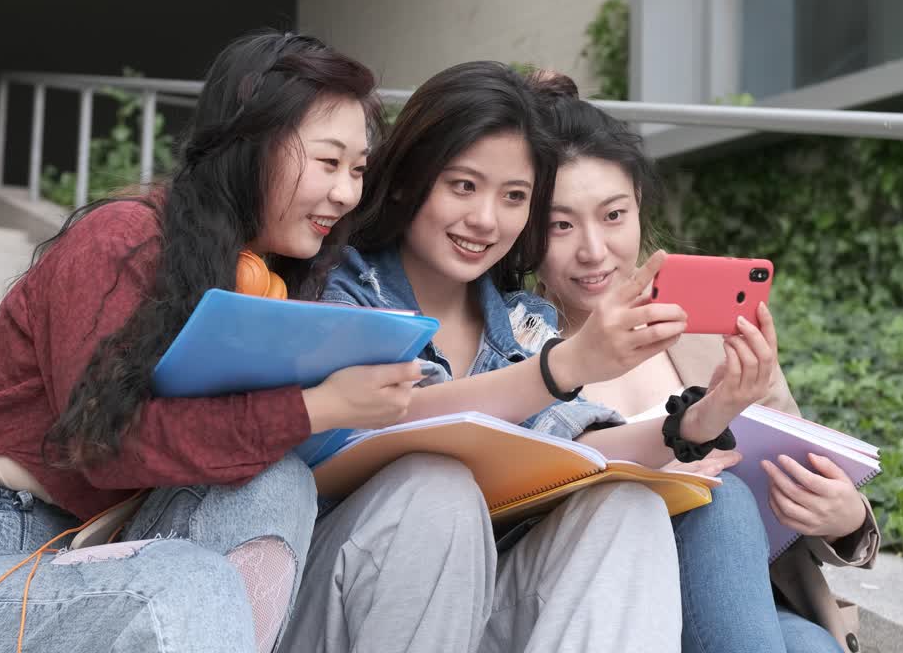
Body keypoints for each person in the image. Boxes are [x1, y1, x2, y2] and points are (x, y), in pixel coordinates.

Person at [0, 32, 428, 653]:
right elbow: (102, 444)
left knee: (274, 482)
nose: (347, 193)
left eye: (357, 170)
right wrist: (319, 405)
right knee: (188, 581)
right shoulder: (120, 238)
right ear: (250, 146)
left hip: (110, 555)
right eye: (328, 163)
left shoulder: (265, 283)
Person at [285, 63, 767, 653]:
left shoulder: (519, 321)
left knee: (627, 506)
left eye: (513, 197)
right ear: (410, 180)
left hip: (481, 601)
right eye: (463, 186)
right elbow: (365, 433)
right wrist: (562, 368)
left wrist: (699, 420)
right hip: (340, 600)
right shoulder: (340, 292)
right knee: (436, 490)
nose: (486, 219)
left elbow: (576, 451)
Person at [533, 87, 880, 653]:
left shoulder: (710, 329)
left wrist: (843, 517)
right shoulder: (522, 349)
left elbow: (799, 461)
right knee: (719, 501)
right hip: (609, 605)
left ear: (640, 203)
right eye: (560, 225)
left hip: (742, 594)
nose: (594, 251)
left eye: (613, 215)